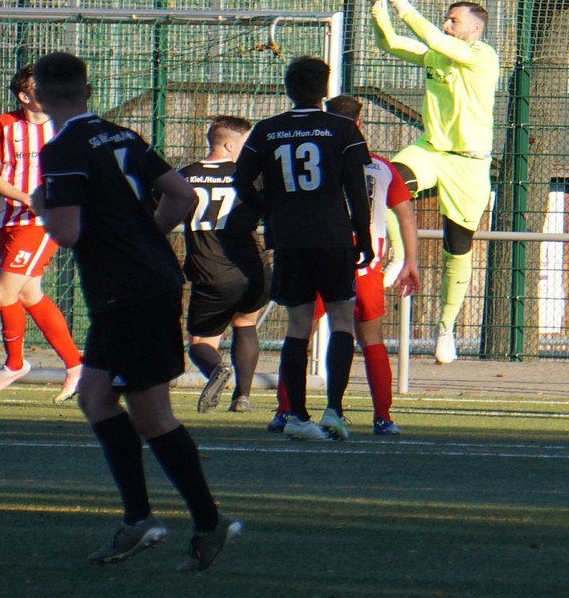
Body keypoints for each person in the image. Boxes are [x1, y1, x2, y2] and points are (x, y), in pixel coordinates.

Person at [32, 51, 240, 571]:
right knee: (96, 398)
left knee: (153, 416)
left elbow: (66, 231)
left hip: (128, 291)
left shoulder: (62, 148)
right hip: (138, 285)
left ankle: (206, 524)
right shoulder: (122, 135)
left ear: (37, 96)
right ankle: (139, 519)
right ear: (88, 90)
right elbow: (181, 194)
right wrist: (148, 233)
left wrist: (43, 204)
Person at [233, 56, 374, 441]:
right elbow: (356, 189)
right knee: (341, 320)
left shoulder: (266, 129)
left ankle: (296, 413)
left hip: (289, 238)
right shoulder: (342, 128)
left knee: (298, 326)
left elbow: (241, 183)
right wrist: (362, 236)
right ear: (325, 89)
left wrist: (272, 212)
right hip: (332, 236)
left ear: (287, 87)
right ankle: (334, 410)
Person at [365, 0, 500, 364]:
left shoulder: (482, 56)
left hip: (470, 163)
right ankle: (396, 254)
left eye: (453, 20)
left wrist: (401, 2)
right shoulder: (436, 52)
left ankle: (446, 329)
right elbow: (389, 42)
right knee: (385, 180)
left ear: (474, 29)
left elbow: (435, 39)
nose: (446, 23)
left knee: (458, 247)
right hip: (432, 149)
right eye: (445, 18)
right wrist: (378, 7)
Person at [266, 95, 421, 436]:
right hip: (365, 262)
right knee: (369, 337)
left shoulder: (318, 157)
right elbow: (406, 216)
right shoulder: (381, 166)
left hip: (316, 248)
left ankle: (285, 410)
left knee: (300, 329)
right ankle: (382, 417)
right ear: (361, 123)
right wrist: (411, 261)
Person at [0, 65, 83, 402]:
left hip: (42, 224)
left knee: (3, 294)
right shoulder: (3, 125)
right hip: (10, 219)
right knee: (29, 295)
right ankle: (77, 366)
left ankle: (15, 364)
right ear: (25, 96)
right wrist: (24, 197)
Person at [179, 115, 272, 414]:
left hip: (211, 270)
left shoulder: (184, 176)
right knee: (245, 323)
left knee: (200, 343)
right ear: (230, 145)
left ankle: (217, 369)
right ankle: (242, 397)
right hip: (253, 268)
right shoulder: (252, 176)